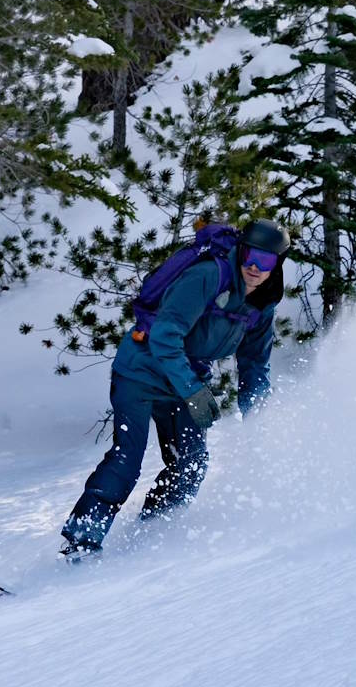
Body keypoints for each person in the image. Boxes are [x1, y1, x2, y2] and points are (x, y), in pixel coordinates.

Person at [60, 218, 291, 558]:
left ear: (278, 264)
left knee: (191, 463)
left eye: (267, 261)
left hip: (184, 381)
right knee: (126, 461)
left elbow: (255, 365)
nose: (256, 268)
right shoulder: (209, 276)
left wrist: (258, 419)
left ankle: (153, 533)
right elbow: (166, 336)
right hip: (141, 373)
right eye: (251, 257)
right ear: (241, 251)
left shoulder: (262, 305)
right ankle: (80, 542)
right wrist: (193, 391)